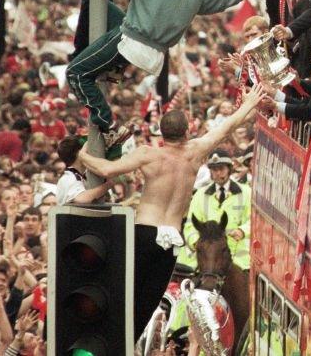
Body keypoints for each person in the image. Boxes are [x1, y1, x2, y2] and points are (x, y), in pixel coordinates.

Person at [79, 83, 266, 342]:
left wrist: (82, 155)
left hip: (145, 231)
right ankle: (129, 343)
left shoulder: (148, 155)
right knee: (147, 301)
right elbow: (228, 126)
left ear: (160, 133)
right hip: (172, 238)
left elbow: (107, 170)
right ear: (187, 132)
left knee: (124, 293)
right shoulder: (196, 152)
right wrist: (251, 101)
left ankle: (109, 342)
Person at [66, 0, 265, 151]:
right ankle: (112, 68)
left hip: (131, 41)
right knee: (99, 5)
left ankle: (109, 126)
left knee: (75, 73)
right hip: (154, 52)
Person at [178, 151, 251, 271]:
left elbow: (254, 221)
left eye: (221, 169)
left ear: (229, 169)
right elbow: (190, 225)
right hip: (206, 257)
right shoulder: (200, 194)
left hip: (239, 258)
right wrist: (196, 243)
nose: (218, 173)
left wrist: (242, 231)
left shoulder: (247, 193)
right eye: (214, 170)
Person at [53, 137, 114, 205]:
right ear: (79, 153)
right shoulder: (68, 178)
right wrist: (107, 186)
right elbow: (82, 198)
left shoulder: (84, 175)